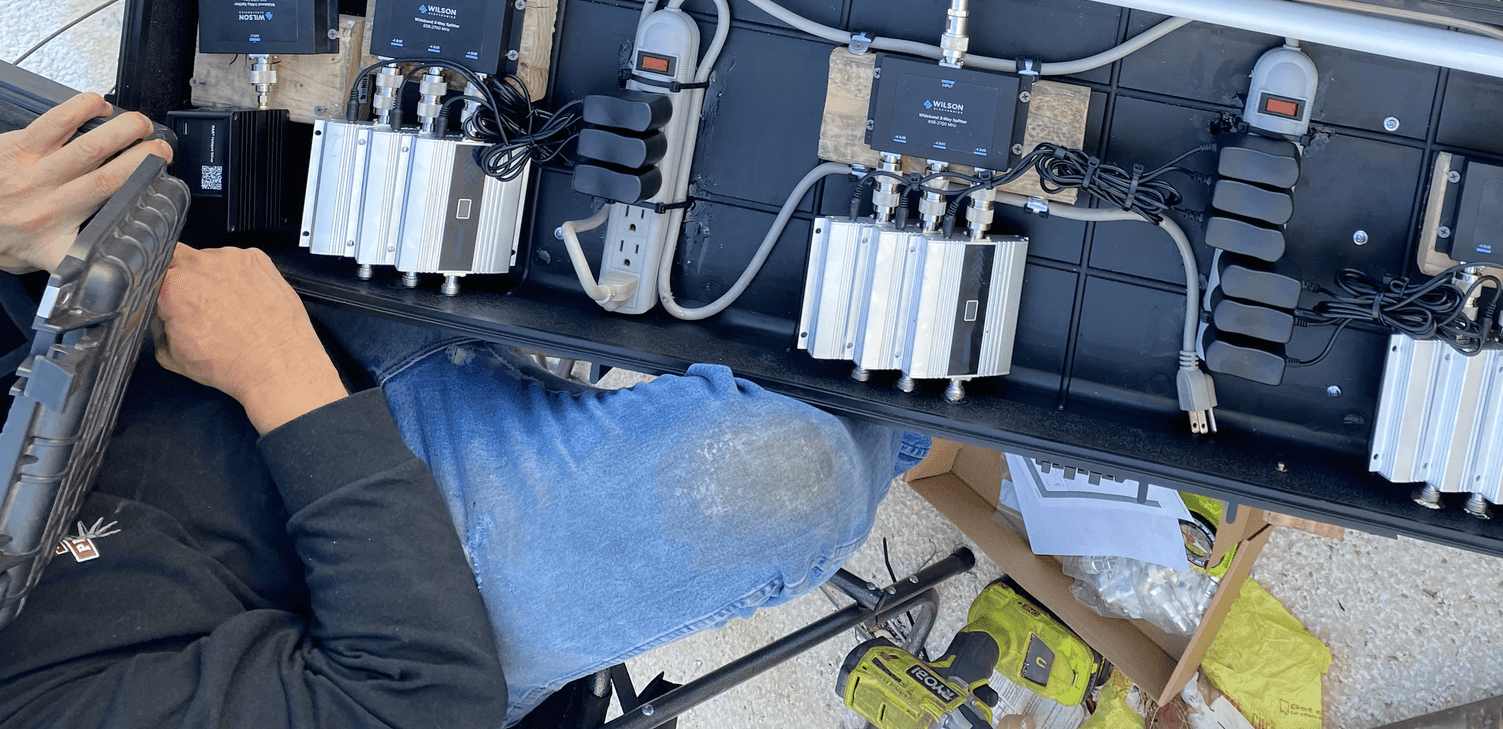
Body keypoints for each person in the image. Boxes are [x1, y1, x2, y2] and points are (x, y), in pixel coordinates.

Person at [0, 94, 924, 726]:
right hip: (393, 592)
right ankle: (946, 353)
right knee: (786, 477)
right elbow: (411, 697)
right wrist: (279, 371)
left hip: (206, 323)